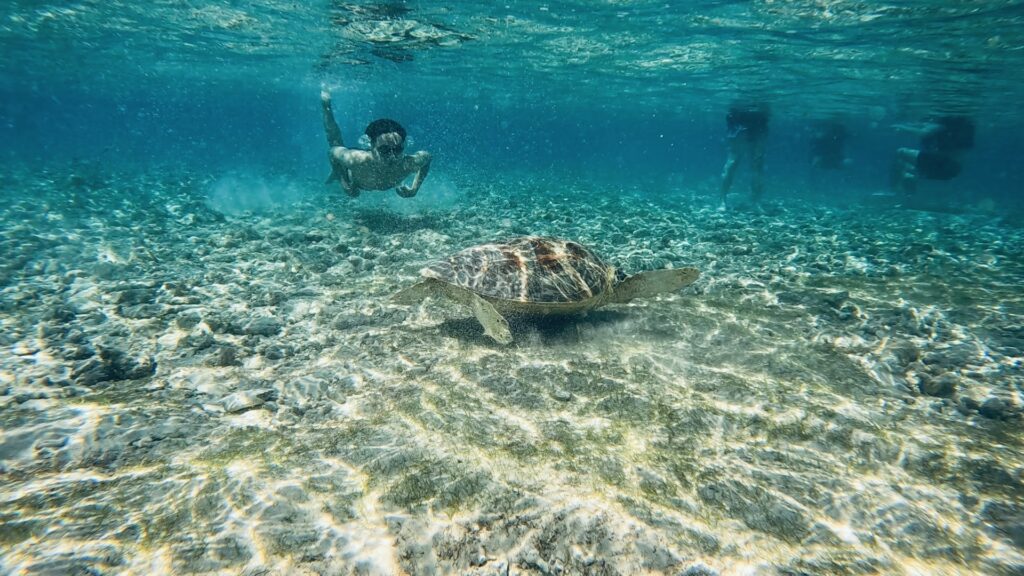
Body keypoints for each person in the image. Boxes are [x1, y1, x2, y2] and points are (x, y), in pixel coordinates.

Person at [320, 88, 431, 198]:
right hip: (352, 174)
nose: (392, 156)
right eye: (384, 150)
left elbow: (427, 157)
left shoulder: (408, 163)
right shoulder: (357, 160)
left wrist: (414, 189)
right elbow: (332, 152)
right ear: (371, 146)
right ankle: (326, 105)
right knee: (336, 143)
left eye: (398, 149)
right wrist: (345, 183)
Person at [891, 115, 974, 195]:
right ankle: (911, 182)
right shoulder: (964, 126)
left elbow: (924, 132)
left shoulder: (944, 122)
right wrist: (914, 125)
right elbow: (928, 126)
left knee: (900, 153)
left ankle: (895, 189)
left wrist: (902, 127)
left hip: (941, 163)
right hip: (955, 167)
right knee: (912, 167)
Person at [719, 102, 770, 211]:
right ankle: (723, 201)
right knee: (733, 161)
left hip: (755, 118)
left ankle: (755, 201)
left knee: (756, 163)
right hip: (741, 117)